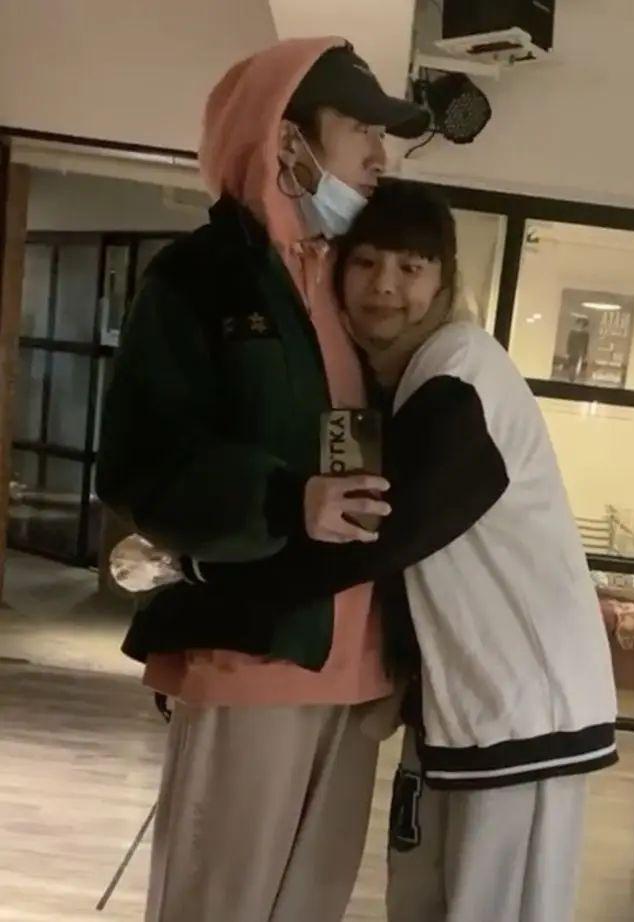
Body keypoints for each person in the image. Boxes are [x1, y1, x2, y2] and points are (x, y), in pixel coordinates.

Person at [118, 182, 619, 922]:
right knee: (424, 902)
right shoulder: (408, 379)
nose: (385, 285)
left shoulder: (460, 380)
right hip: (463, 707)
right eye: (367, 263)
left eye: (411, 268)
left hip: (524, 716)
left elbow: (369, 541)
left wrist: (198, 582)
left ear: (444, 283)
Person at [95, 38, 429, 922]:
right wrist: (284, 498)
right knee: (219, 904)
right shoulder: (200, 278)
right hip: (253, 652)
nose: (380, 155)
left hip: (356, 669)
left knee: (311, 906)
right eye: (361, 128)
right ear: (289, 139)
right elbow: (139, 465)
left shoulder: (352, 280)